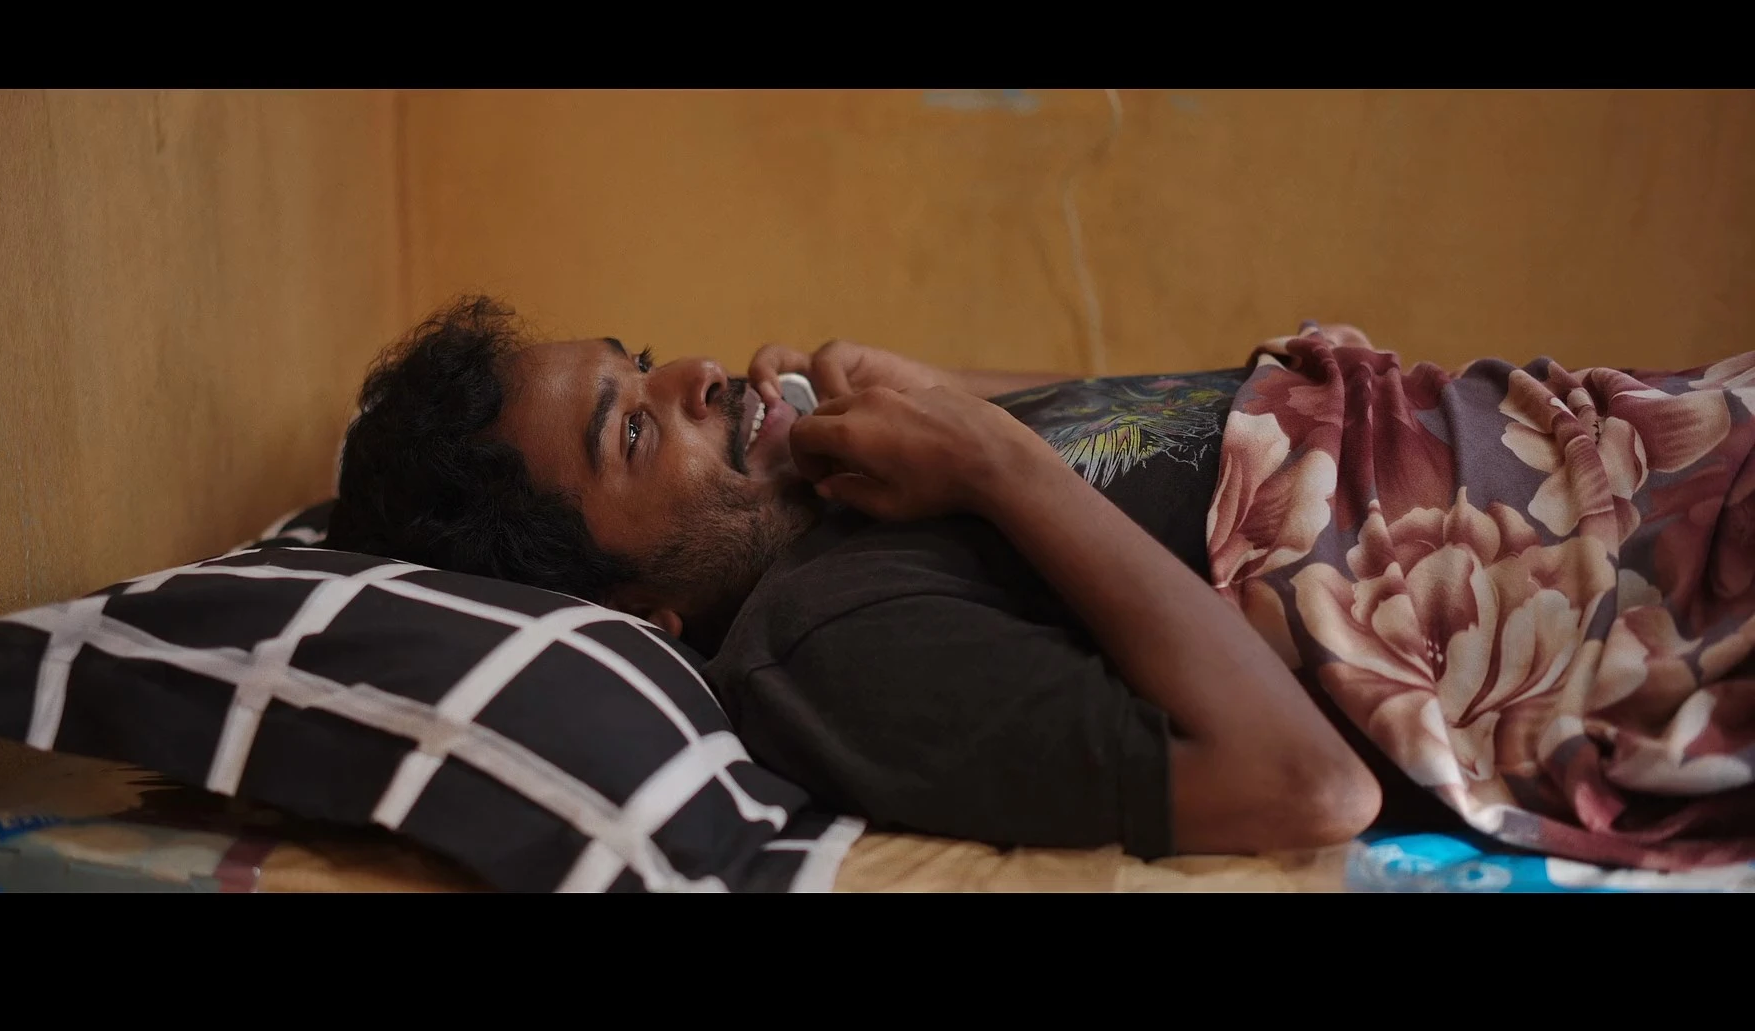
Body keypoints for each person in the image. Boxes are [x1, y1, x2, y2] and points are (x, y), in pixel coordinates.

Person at [326, 295, 1755, 869]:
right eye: (636, 432)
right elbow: (1306, 792)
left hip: (1635, 432)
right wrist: (995, 461)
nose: (698, 375)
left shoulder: (863, 485)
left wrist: (945, 400)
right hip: (1637, 578)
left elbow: (1154, 444)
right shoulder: (825, 640)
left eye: (643, 367)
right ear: (638, 613)